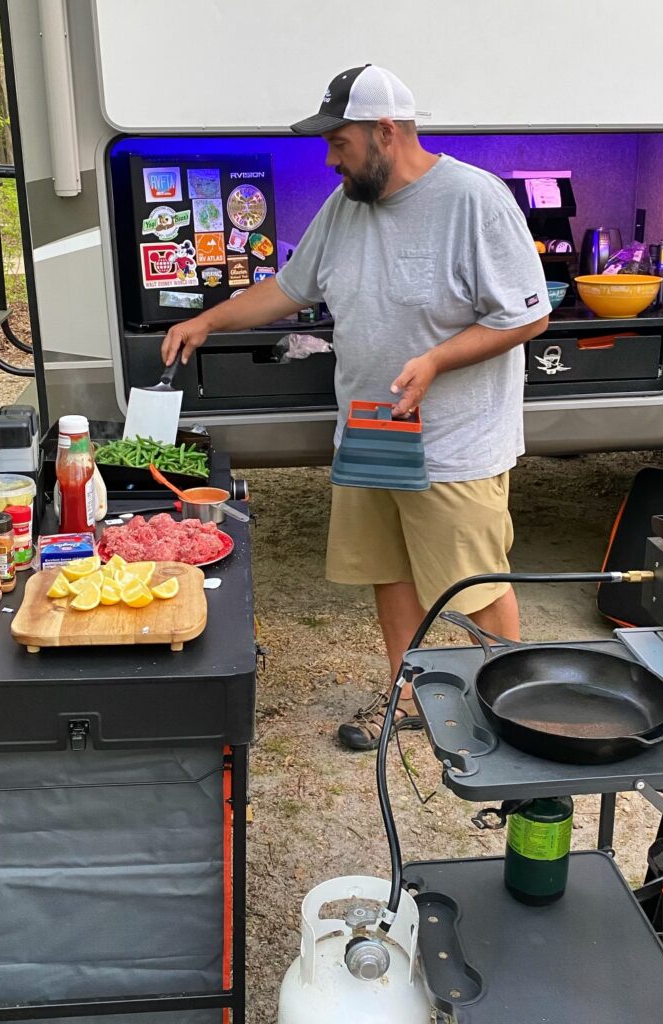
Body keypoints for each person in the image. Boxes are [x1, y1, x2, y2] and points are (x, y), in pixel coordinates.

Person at [161, 64, 551, 750]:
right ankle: (408, 693)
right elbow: (286, 288)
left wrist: (434, 361)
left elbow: (526, 316)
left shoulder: (472, 201)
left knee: (474, 585)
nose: (329, 156)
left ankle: (507, 708)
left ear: (386, 132)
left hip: (452, 439)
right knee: (388, 569)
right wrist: (211, 321)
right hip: (371, 429)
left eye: (339, 141)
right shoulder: (346, 206)